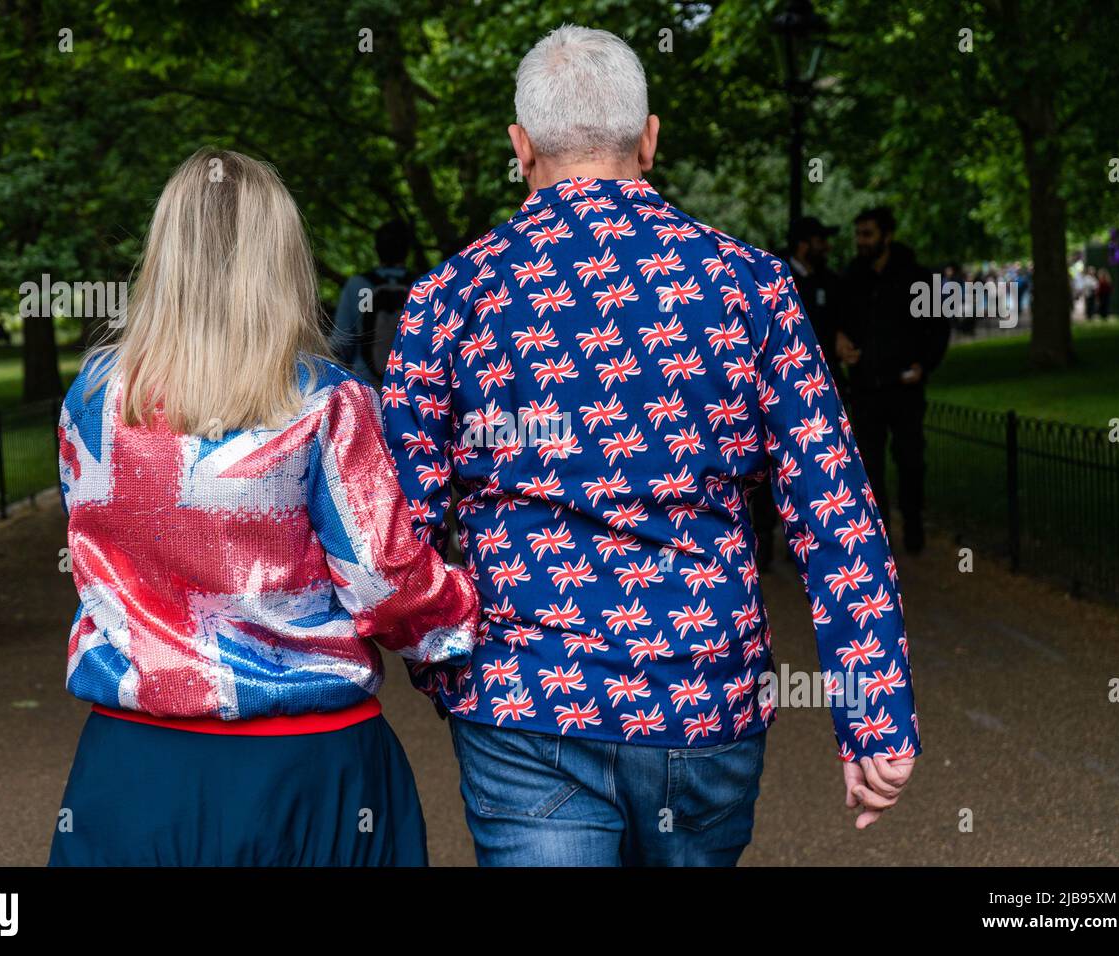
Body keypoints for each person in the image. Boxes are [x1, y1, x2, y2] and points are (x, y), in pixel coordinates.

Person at [382, 25, 920, 867]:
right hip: (700, 693)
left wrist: (449, 663)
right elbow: (833, 511)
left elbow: (398, 531)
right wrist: (874, 708)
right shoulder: (751, 286)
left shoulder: (448, 299)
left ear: (519, 147)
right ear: (649, 138)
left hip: (526, 700)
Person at [49, 148, 479, 867]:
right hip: (309, 768)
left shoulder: (91, 401)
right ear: (282, 258)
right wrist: (469, 616)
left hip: (132, 764)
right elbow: (386, 584)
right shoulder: (327, 403)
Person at [838, 207, 948, 555]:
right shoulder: (851, 276)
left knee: (910, 460)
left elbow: (939, 328)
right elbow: (836, 320)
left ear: (886, 236)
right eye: (858, 235)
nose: (861, 242)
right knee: (868, 465)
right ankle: (879, 533)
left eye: (868, 234)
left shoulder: (917, 277)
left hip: (904, 389)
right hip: (866, 387)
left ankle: (913, 525)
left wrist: (924, 365)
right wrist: (838, 340)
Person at [754, 215, 844, 568]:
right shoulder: (769, 276)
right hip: (774, 389)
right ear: (805, 243)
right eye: (821, 239)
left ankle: (808, 549)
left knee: (809, 468)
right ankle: (764, 546)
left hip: (815, 391)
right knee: (766, 471)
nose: (827, 246)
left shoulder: (830, 281)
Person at [330, 220, 413, 386]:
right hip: (409, 386)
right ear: (407, 250)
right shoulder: (421, 285)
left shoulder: (361, 287)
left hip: (367, 384)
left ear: (376, 248)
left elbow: (343, 340)